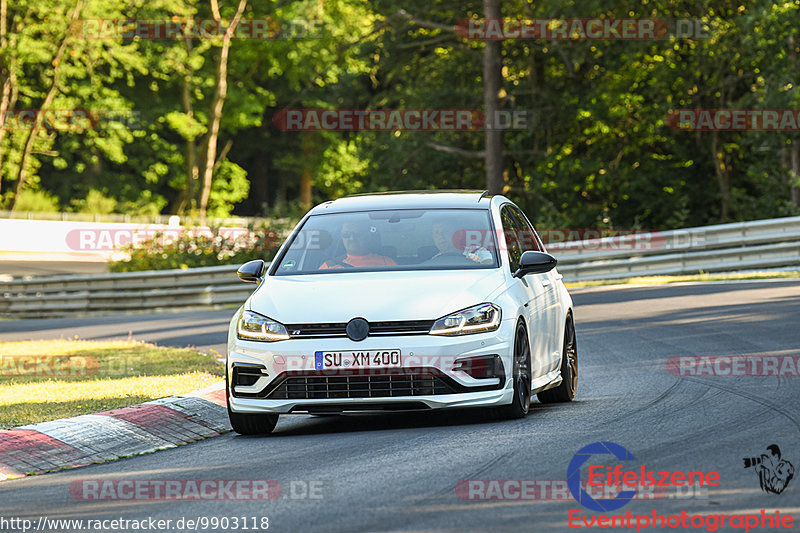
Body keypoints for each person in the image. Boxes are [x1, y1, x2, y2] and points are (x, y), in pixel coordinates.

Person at [319, 221, 396, 269]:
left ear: (368, 236)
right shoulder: (329, 266)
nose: (352, 238)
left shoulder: (386, 262)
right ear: (341, 238)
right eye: (346, 234)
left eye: (357, 234)